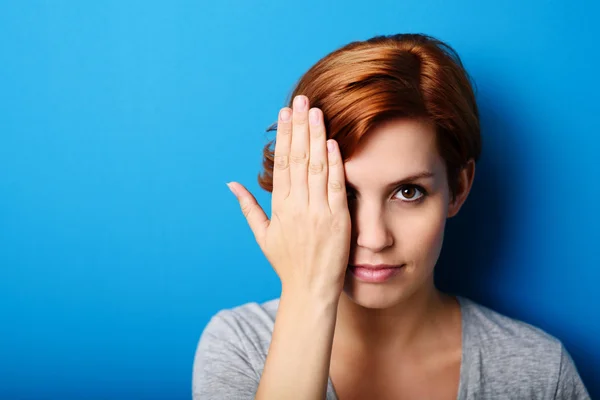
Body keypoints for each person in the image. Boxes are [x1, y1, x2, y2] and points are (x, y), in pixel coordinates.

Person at [192, 33, 590, 399]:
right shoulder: (241, 346)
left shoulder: (539, 371)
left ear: (459, 188)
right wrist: (307, 290)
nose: (374, 238)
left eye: (408, 192)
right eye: (343, 194)